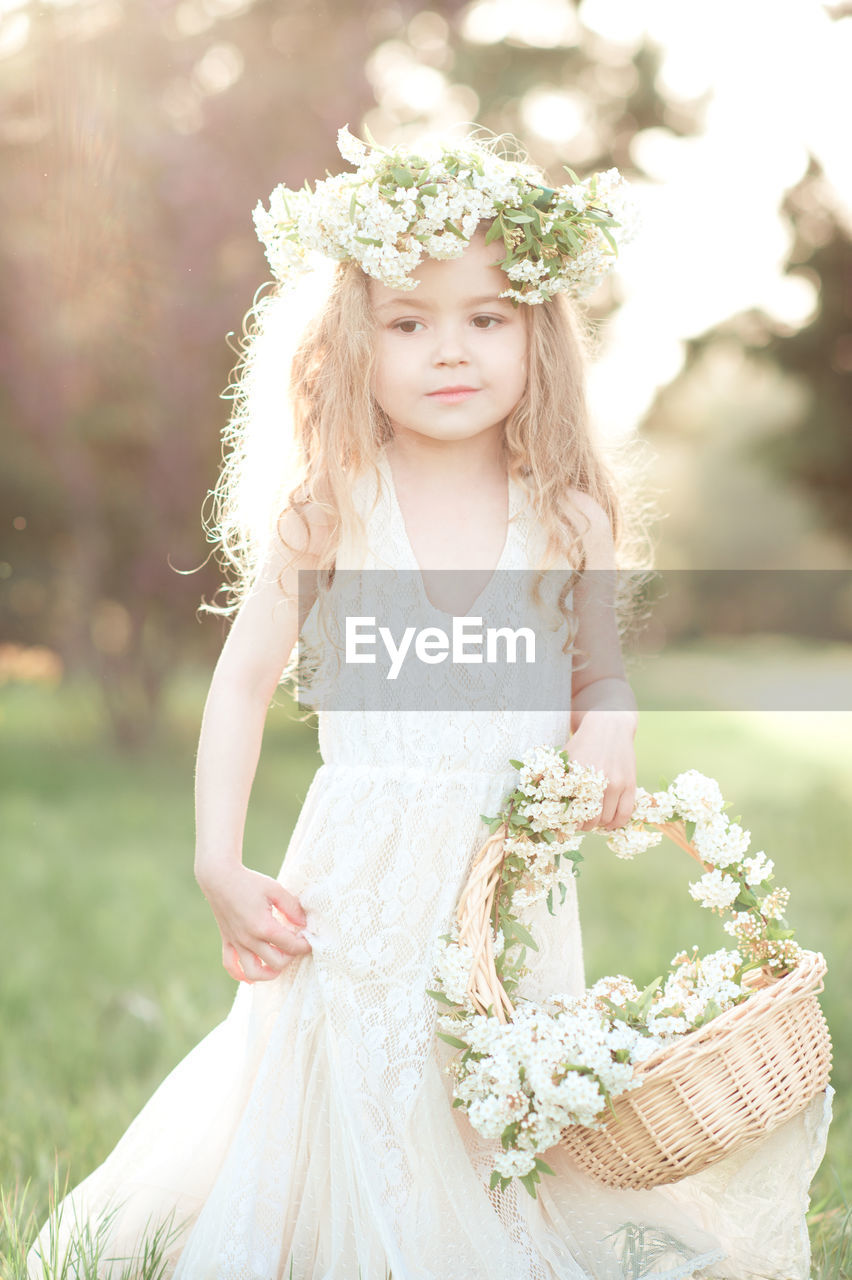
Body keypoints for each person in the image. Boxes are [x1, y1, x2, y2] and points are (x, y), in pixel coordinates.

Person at [28, 126, 831, 1280]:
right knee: (353, 1080)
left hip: (504, 878)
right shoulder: (331, 510)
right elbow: (243, 682)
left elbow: (596, 670)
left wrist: (610, 712)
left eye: (486, 318)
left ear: (537, 334)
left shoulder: (565, 516)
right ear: (354, 341)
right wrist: (219, 857)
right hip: (358, 870)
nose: (448, 351)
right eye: (408, 321)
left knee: (492, 1094)